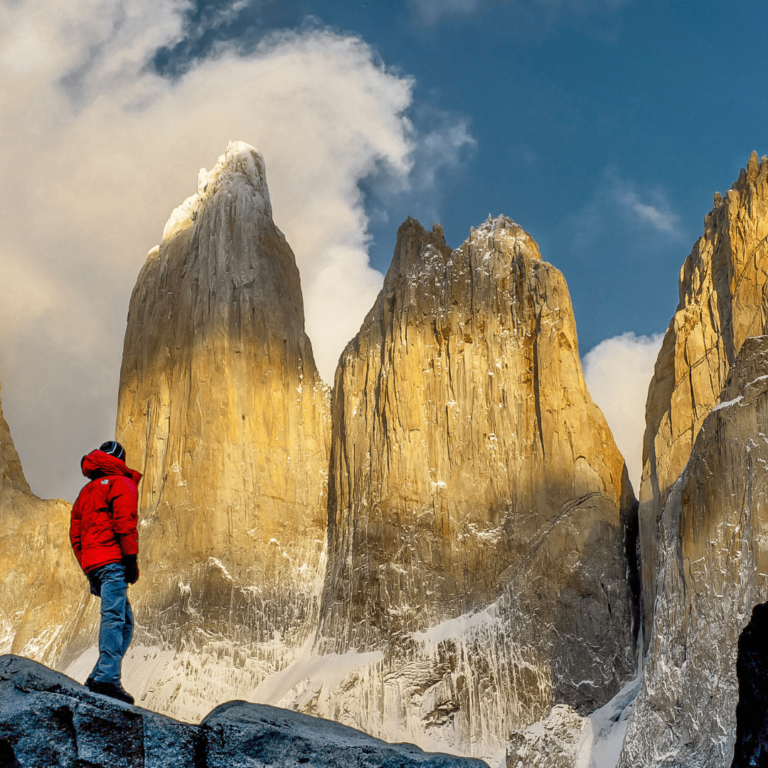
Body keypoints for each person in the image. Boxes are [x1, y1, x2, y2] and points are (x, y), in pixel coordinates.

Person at [69, 440, 142, 705]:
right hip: (113, 562)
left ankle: (100, 674)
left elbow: (75, 534)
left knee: (125, 621)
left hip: (95, 564)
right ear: (120, 460)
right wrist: (130, 561)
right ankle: (107, 678)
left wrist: (88, 566)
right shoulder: (122, 484)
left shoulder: (86, 492)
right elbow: (125, 523)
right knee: (114, 617)